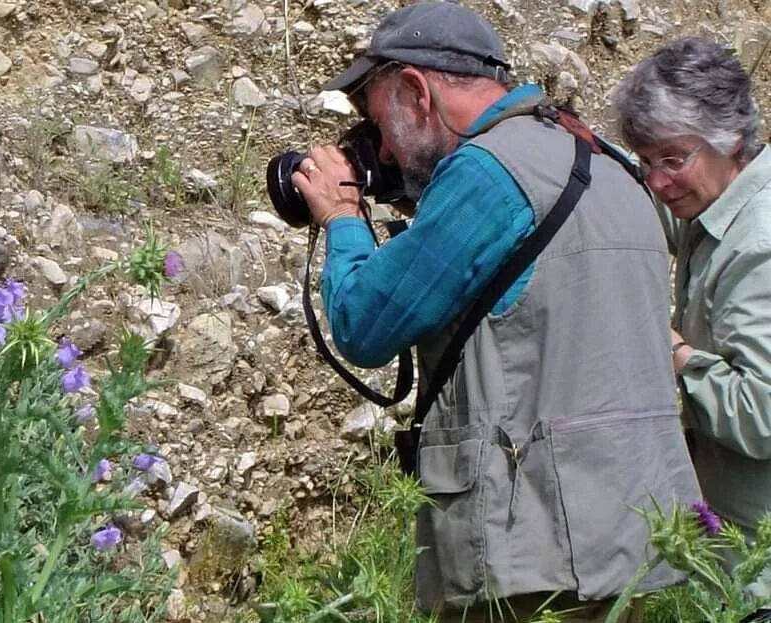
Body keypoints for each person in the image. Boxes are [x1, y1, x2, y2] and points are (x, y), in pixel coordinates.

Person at [292, 2, 701, 621]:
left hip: (533, 549)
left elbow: (365, 324)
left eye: (381, 123)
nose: (388, 152)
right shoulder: (607, 162)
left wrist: (342, 217)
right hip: (632, 534)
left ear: (415, 91)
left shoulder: (486, 175)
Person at [613, 37, 771, 611]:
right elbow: (649, 195)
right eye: (646, 162)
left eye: (672, 159)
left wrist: (669, 346)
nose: (657, 180)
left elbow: (761, 415)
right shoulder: (719, 202)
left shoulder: (759, 244)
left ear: (729, 138)